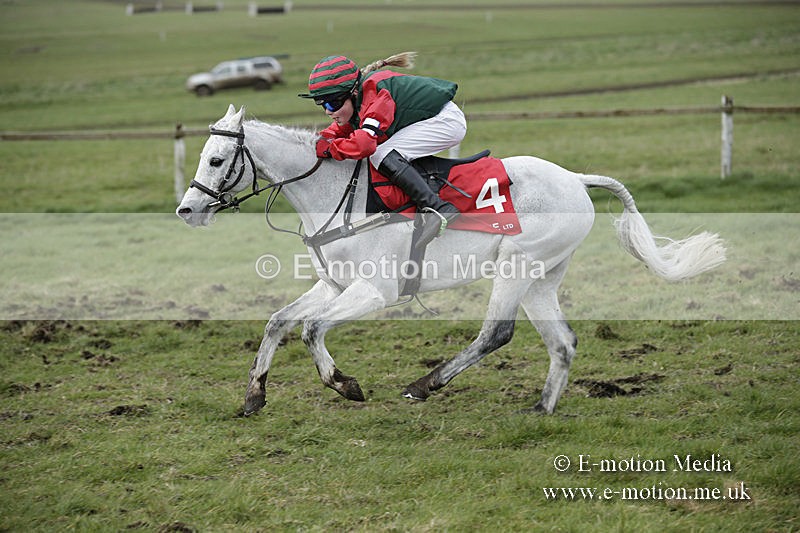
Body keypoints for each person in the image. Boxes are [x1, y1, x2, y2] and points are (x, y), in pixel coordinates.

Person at [299, 52, 467, 250]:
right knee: (381, 152)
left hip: (445, 121)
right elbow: (340, 131)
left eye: (333, 103)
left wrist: (330, 148)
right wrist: (318, 141)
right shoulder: (359, 98)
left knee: (380, 153)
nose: (328, 111)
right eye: (322, 104)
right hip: (428, 118)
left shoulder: (376, 95)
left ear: (352, 93)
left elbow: (364, 145)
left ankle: (438, 208)